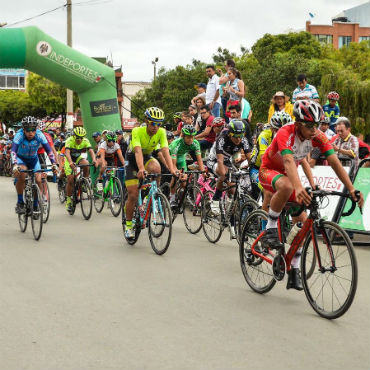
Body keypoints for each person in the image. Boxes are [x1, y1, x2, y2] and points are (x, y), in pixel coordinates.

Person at [259, 100, 363, 290]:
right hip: (269, 170)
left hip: (289, 176)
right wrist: (299, 188)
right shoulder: (285, 132)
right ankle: (270, 228)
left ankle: (295, 269)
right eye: (309, 126)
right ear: (298, 124)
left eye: (317, 124)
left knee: (303, 223)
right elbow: (289, 162)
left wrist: (351, 188)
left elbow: (334, 161)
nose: (314, 130)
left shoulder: (317, 135)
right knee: (288, 186)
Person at [123, 107, 177, 239]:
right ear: (147, 121)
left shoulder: (162, 132)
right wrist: (141, 169)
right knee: (133, 195)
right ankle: (129, 225)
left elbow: (165, 151)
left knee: (156, 167)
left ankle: (153, 192)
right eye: (153, 123)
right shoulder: (137, 131)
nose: (155, 127)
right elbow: (137, 151)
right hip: (132, 159)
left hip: (146, 156)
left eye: (158, 124)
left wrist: (172, 169)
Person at [11, 116, 57, 214]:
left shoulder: (40, 135)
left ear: (36, 129)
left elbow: (49, 151)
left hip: (33, 159)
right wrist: (15, 164)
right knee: (22, 174)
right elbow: (13, 151)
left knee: (38, 179)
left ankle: (36, 204)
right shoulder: (19, 135)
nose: (30, 132)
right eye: (28, 130)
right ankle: (20, 202)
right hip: (21, 159)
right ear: (23, 129)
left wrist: (54, 164)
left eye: (33, 129)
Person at [207, 120, 252, 218]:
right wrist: (224, 176)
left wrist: (251, 169)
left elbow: (250, 158)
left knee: (233, 189)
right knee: (225, 174)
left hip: (227, 161)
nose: (238, 139)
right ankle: (215, 200)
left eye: (240, 136)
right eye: (236, 137)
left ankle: (228, 211)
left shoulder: (243, 140)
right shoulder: (222, 139)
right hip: (214, 160)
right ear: (230, 134)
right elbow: (220, 161)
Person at [250, 111, 293, 201]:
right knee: (268, 192)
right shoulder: (264, 136)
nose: (281, 133)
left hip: (274, 169)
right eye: (278, 130)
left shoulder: (290, 137)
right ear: (272, 129)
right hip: (257, 168)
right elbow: (263, 158)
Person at [168, 125, 205, 208]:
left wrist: (203, 172)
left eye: (192, 137)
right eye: (188, 137)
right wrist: (176, 172)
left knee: (184, 181)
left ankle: (180, 195)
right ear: (183, 136)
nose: (191, 139)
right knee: (175, 176)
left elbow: (199, 160)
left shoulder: (195, 143)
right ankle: (172, 199)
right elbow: (173, 165)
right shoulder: (176, 144)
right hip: (170, 158)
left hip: (181, 158)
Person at [64, 127, 97, 212]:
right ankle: (68, 200)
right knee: (70, 179)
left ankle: (83, 182)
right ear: (74, 136)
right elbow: (67, 153)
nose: (79, 139)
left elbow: (91, 151)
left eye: (81, 137)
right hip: (69, 159)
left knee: (86, 164)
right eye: (77, 137)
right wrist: (71, 163)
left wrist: (94, 159)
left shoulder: (85, 141)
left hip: (78, 158)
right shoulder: (69, 140)